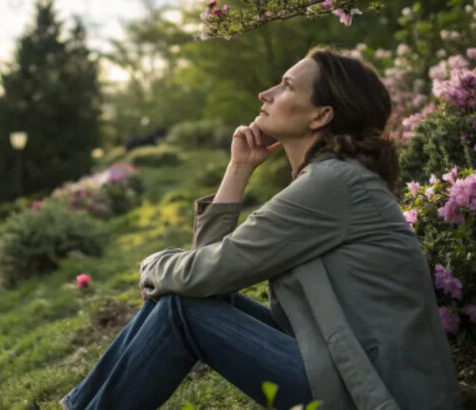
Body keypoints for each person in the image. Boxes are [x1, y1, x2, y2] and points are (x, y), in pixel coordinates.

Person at [59, 45, 463, 410]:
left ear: (321, 115)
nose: (265, 94)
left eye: (286, 86)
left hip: (370, 391)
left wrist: (152, 266)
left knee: (181, 307)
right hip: (337, 360)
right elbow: (210, 279)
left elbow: (205, 273)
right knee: (183, 301)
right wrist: (238, 170)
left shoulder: (334, 184)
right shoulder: (330, 180)